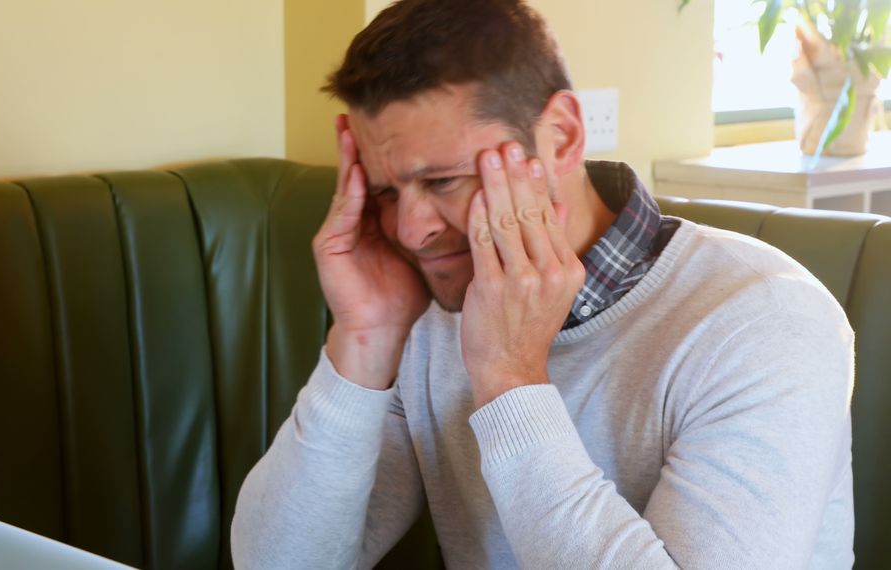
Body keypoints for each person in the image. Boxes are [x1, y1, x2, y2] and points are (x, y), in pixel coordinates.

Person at [231, 0, 855, 568]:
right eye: (388, 191)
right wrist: (364, 341)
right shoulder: (432, 305)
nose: (410, 229)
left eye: (444, 181)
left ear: (561, 136)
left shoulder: (766, 318)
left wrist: (509, 376)